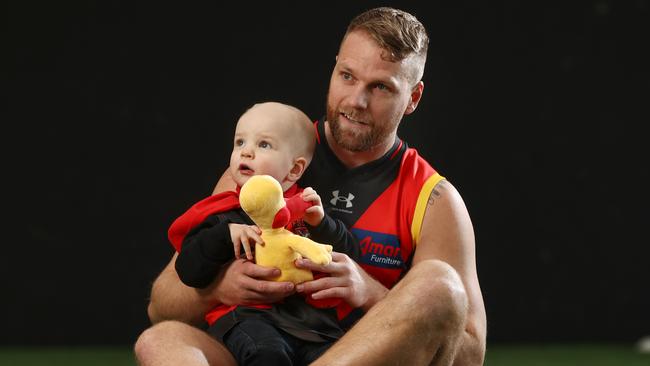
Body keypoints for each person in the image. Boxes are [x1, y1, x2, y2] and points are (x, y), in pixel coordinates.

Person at [135, 6, 486, 366]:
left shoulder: (434, 199)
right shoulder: (267, 164)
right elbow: (162, 305)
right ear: (334, 68)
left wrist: (371, 293)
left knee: (439, 283)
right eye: (347, 76)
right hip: (260, 349)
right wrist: (219, 287)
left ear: (413, 98)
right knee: (160, 341)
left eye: (380, 87)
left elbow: (470, 356)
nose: (356, 101)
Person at [169, 101, 360, 365]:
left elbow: (349, 254)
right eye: (239, 143)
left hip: (310, 323)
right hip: (248, 318)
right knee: (267, 353)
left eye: (263, 145)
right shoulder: (222, 213)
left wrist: (322, 223)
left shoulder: (305, 208)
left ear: (294, 169)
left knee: (335, 356)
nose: (246, 153)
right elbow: (189, 270)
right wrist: (225, 235)